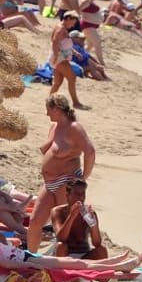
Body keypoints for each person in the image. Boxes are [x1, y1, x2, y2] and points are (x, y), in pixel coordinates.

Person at [33, 95, 95, 252]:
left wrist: (83, 178)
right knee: (35, 221)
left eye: (49, 110)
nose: (47, 114)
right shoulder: (54, 127)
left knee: (65, 225)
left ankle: (67, 258)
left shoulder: (74, 128)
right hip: (50, 183)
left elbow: (90, 152)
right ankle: (30, 258)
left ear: (57, 109)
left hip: (66, 181)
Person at [46, 13, 84, 109]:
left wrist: (75, 52)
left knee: (58, 82)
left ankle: (50, 101)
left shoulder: (62, 28)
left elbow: (64, 44)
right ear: (68, 19)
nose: (73, 25)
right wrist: (56, 56)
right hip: (59, 58)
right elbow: (55, 42)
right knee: (72, 78)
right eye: (72, 22)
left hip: (60, 57)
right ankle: (76, 103)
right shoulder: (60, 29)